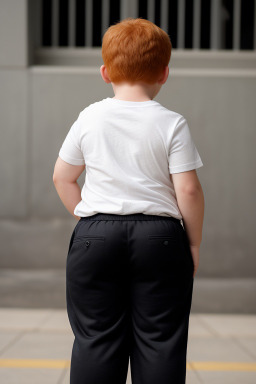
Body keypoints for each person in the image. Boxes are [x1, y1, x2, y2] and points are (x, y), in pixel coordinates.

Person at [53, 17, 205, 384]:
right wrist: (193, 242)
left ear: (105, 72)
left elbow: (63, 176)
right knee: (160, 340)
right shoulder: (171, 122)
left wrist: (90, 221)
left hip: (96, 235)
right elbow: (187, 190)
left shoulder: (90, 117)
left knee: (96, 338)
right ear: (164, 73)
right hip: (161, 237)